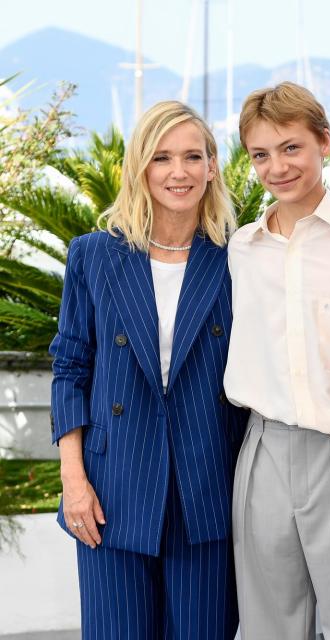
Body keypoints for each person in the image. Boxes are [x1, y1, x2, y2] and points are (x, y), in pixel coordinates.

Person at [50, 100, 243, 639]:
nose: (178, 172)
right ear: (139, 167)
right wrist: (74, 481)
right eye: (161, 158)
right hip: (112, 491)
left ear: (211, 168)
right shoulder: (93, 255)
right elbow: (70, 367)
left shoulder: (238, 258)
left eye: (192, 157)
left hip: (206, 492)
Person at [223, 82, 330, 640]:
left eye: (291, 147)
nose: (277, 167)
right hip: (263, 446)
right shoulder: (241, 250)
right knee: (268, 624)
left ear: (325, 142)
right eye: (261, 154)